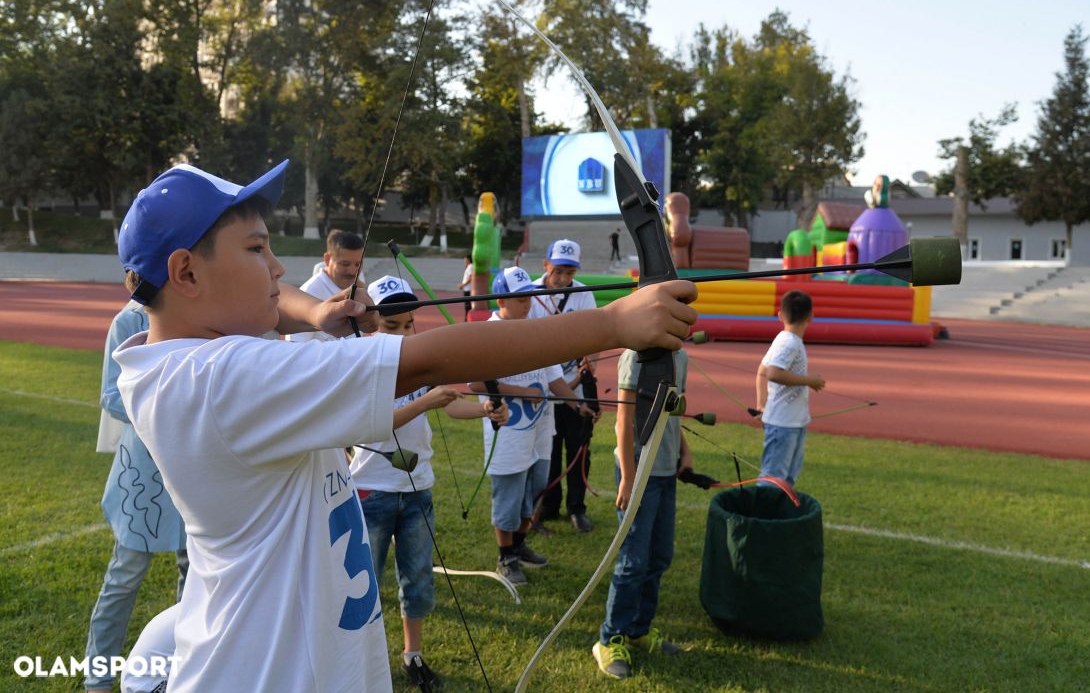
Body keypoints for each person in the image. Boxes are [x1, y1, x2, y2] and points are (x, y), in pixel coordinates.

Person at [112, 160, 697, 692]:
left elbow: (269, 296)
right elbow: (428, 358)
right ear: (186, 273)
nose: (278, 267)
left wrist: (317, 312)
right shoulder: (217, 381)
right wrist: (617, 321)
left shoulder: (175, 358)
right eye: (256, 249)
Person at [353, 275, 507, 692]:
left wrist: (486, 411)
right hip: (371, 490)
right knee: (362, 584)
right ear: (372, 325)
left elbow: (450, 403)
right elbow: (373, 423)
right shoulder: (363, 360)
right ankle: (358, 662)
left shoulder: (417, 360)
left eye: (407, 326)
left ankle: (412, 655)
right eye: (391, 327)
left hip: (417, 489)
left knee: (417, 578)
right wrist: (426, 400)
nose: (402, 334)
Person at [84, 301, 189, 693]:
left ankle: (184, 669)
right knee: (125, 576)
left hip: (191, 463)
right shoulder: (129, 320)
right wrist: (169, 403)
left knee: (195, 576)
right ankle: (98, 677)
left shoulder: (195, 311)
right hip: (142, 473)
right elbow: (111, 396)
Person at [469, 266, 588, 586]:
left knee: (535, 488)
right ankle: (504, 556)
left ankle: (519, 546)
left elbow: (554, 379)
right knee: (508, 493)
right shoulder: (488, 333)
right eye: (520, 299)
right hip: (508, 433)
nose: (528, 304)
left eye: (529, 298)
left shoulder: (536, 329)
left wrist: (577, 404)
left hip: (540, 431)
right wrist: (524, 393)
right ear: (501, 302)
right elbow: (476, 383)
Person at [592, 347, 691, 680]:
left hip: (664, 471)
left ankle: (638, 629)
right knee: (633, 560)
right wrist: (629, 478)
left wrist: (684, 449)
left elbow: (672, 410)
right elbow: (624, 419)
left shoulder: (681, 357)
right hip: (638, 472)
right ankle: (610, 639)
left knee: (660, 555)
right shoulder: (635, 356)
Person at [528, 239, 600, 532]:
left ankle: (576, 508)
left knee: (579, 448)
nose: (563, 278)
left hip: (576, 388)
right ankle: (549, 505)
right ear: (546, 266)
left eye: (569, 272)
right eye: (558, 271)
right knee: (548, 450)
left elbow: (595, 336)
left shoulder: (583, 295)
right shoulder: (530, 294)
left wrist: (590, 363)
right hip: (544, 389)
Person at [755, 290, 825, 487]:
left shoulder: (784, 338)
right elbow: (773, 373)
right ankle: (765, 515)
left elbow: (762, 370)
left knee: (787, 480)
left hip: (794, 421)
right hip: (783, 424)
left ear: (780, 315)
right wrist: (808, 380)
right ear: (811, 316)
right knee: (773, 480)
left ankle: (779, 514)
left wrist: (761, 405)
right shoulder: (789, 342)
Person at [289, 229, 366, 343]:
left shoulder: (359, 281)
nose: (352, 271)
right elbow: (295, 345)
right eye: (345, 264)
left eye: (358, 264)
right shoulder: (309, 292)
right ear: (327, 259)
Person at [458, 255, 473, 322]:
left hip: (468, 289)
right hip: (467, 288)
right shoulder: (469, 267)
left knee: (468, 305)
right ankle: (467, 318)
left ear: (469, 260)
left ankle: (467, 319)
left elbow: (470, 278)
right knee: (467, 305)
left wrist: (463, 285)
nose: (464, 261)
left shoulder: (470, 267)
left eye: (465, 259)